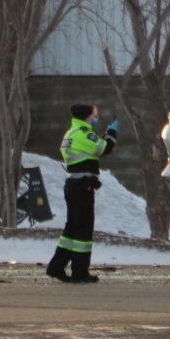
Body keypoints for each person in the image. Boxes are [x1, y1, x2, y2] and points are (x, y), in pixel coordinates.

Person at [45, 103, 118, 283]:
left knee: (72, 228)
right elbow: (105, 148)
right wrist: (112, 132)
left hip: (73, 185)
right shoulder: (83, 134)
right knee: (83, 230)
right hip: (82, 187)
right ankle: (80, 272)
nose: (96, 118)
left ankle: (56, 266)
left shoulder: (71, 134)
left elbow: (92, 150)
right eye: (94, 115)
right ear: (86, 117)